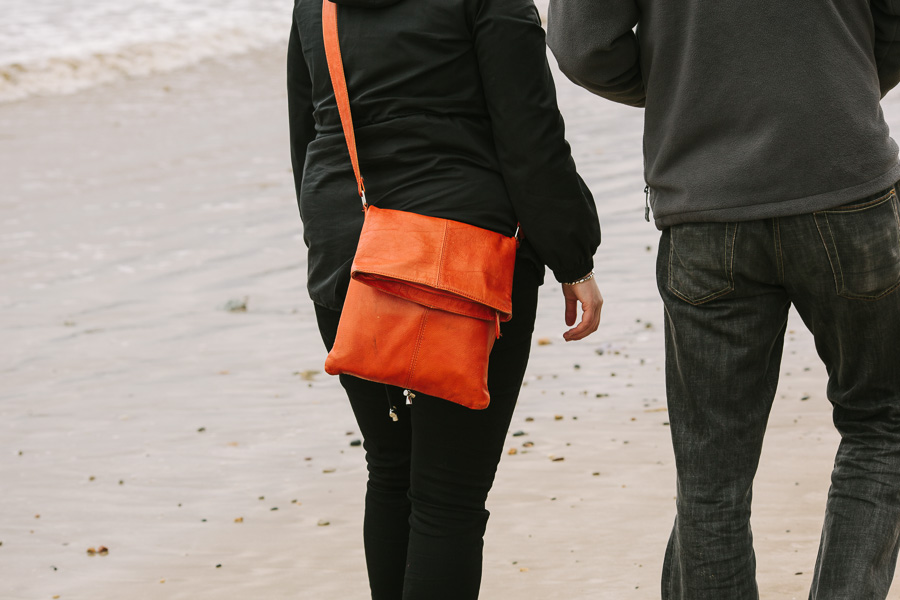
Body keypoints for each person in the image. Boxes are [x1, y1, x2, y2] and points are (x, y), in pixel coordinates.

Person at [547, 1, 900, 598]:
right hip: (846, 179)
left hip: (705, 203)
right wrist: (838, 87)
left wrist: (683, 87)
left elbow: (583, 45)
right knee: (882, 426)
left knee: (713, 478)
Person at [287, 0, 603, 597]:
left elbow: (308, 133)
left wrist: (329, 237)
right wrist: (572, 254)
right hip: (460, 262)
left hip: (348, 256)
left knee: (390, 472)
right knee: (448, 499)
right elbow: (529, 136)